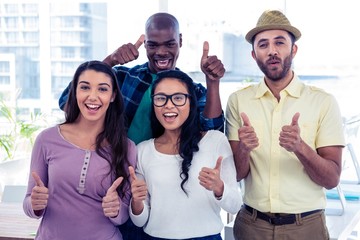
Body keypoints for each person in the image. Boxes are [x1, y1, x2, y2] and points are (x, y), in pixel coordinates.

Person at [225, 10, 345, 240]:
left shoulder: (323, 102)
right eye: (263, 45)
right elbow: (237, 175)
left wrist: (300, 147)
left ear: (294, 49)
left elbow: (332, 180)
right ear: (253, 55)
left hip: (306, 227)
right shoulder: (238, 101)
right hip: (252, 226)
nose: (272, 51)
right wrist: (244, 149)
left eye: (279, 42)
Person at [58, 12, 225, 145]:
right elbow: (67, 103)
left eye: (169, 44)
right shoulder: (122, 78)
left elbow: (213, 134)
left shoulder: (192, 90)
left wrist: (212, 81)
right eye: (153, 45)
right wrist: (110, 61)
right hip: (115, 171)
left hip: (164, 177)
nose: (161, 52)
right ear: (145, 44)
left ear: (180, 41)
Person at [23, 60, 137, 240]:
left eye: (102, 89)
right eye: (85, 87)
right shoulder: (46, 139)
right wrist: (35, 203)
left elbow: (123, 215)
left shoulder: (127, 147)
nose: (93, 96)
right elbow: (29, 204)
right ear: (75, 91)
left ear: (113, 95)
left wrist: (115, 209)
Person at [129, 69, 242, 240]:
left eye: (178, 98)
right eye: (161, 98)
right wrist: (136, 203)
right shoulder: (143, 150)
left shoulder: (215, 140)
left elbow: (235, 205)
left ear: (191, 102)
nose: (169, 105)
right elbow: (140, 220)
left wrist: (219, 187)